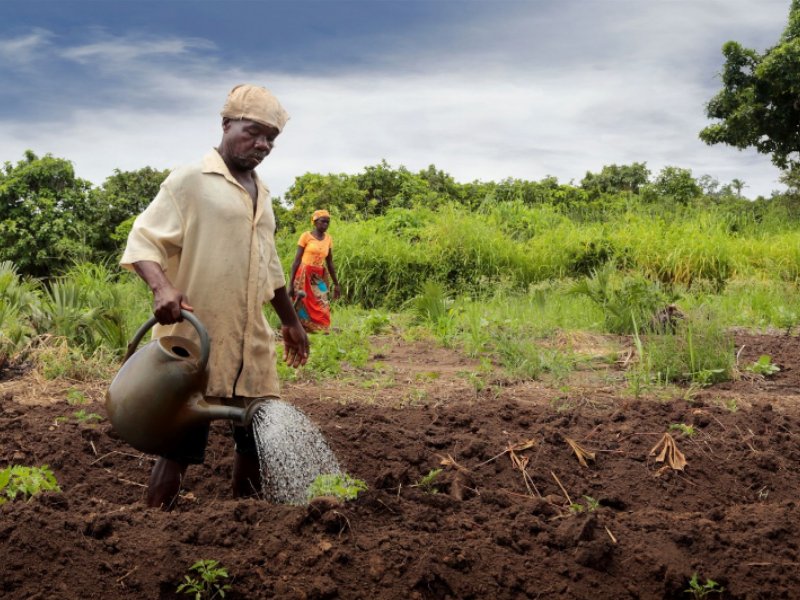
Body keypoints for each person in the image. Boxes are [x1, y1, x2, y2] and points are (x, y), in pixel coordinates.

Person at [120, 83, 309, 510]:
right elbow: (144, 239)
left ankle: (244, 522)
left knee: (254, 441)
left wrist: (291, 322)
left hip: (250, 341)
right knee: (178, 448)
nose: (261, 144)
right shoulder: (191, 181)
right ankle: (151, 531)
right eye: (253, 131)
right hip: (197, 339)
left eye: (271, 138)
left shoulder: (264, 193)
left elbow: (272, 267)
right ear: (226, 124)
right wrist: (162, 287)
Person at [289, 210, 341, 332]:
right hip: (304, 273)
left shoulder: (328, 239)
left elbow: (330, 263)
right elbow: (296, 261)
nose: (326, 224)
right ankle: (303, 328)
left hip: (318, 275)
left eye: (328, 222)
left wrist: (336, 284)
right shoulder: (306, 236)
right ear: (315, 222)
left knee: (322, 302)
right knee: (303, 301)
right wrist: (290, 284)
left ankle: (321, 328)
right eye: (323, 221)